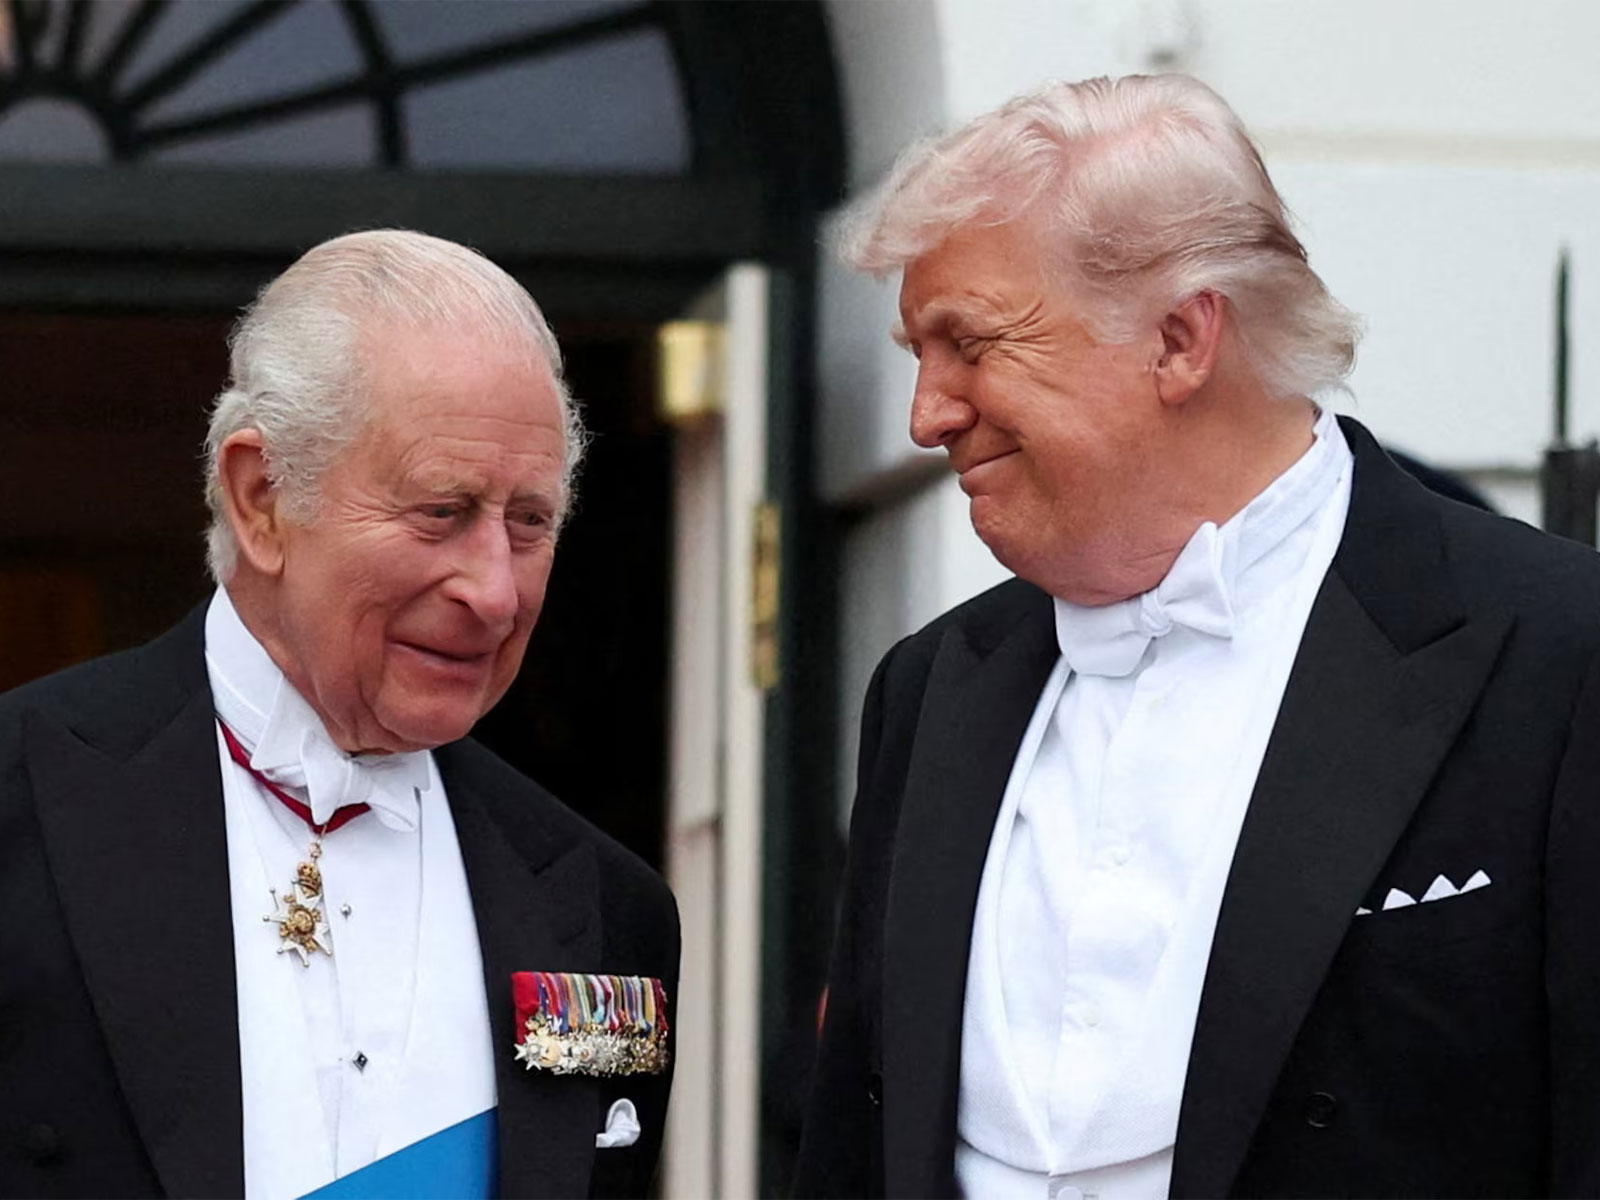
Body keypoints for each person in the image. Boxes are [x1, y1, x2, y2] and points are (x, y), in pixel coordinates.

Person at [793, 75, 1600, 1199]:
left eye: (967, 342)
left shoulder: (1558, 652)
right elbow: (852, 1143)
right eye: (917, 354)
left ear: (1179, 338)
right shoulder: (929, 688)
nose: (927, 412)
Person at [0, 230, 678, 1199]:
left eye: (529, 522)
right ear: (262, 497)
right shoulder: (20, 805)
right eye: (442, 510)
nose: (494, 592)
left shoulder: (610, 908)